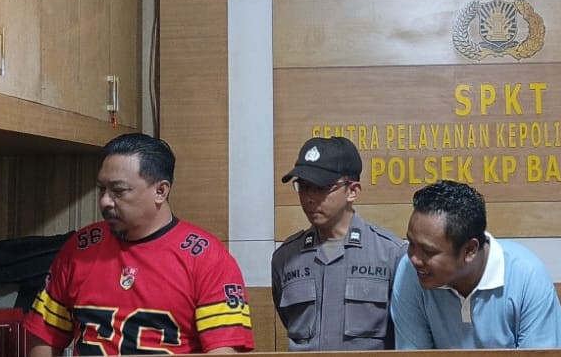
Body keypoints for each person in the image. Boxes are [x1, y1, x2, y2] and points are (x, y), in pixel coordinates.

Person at [24, 133, 254, 355]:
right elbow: (45, 338)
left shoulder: (208, 259)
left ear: (160, 191)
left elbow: (223, 350)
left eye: (119, 191)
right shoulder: (79, 249)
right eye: (102, 189)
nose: (105, 201)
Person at [389, 180, 561, 349]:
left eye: (429, 251)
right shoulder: (409, 271)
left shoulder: (526, 275)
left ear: (470, 250)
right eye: (411, 243)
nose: (414, 258)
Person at [271, 137, 405, 350]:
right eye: (303, 186)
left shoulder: (391, 254)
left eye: (321, 187)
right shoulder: (285, 258)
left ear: (352, 191)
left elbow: (405, 334)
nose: (309, 198)